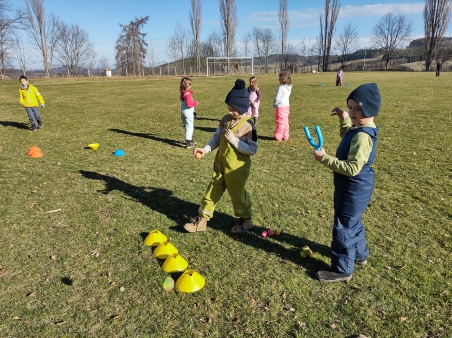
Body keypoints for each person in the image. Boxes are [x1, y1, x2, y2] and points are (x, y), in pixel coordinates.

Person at [312, 83, 381, 283]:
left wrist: (324, 158)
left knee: (343, 226)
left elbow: (352, 168)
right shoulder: (359, 128)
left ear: (370, 109)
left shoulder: (362, 136)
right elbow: (347, 135)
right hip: (356, 187)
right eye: (350, 107)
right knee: (352, 221)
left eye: (358, 109)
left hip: (354, 187)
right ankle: (360, 254)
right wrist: (344, 118)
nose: (353, 112)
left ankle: (342, 269)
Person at [184, 79, 258, 234]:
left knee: (237, 194)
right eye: (229, 108)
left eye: (233, 109)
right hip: (220, 164)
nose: (230, 112)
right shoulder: (225, 120)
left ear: (242, 107)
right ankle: (202, 220)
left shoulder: (248, 126)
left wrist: (234, 140)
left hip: (236, 169)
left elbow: (252, 149)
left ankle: (246, 220)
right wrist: (205, 149)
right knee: (212, 190)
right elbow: (217, 137)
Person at [180, 77, 199, 148]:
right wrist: (195, 103)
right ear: (188, 86)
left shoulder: (183, 93)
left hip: (183, 112)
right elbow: (189, 104)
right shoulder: (188, 94)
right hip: (188, 113)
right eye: (190, 84)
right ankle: (188, 142)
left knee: (187, 126)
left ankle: (189, 140)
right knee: (190, 127)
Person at [273, 71, 292, 141]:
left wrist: (275, 104)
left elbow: (277, 98)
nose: (278, 80)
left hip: (281, 107)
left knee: (280, 121)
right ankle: (285, 135)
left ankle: (278, 135)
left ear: (283, 79)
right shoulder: (289, 88)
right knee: (285, 121)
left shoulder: (281, 88)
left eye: (280, 78)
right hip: (287, 106)